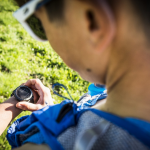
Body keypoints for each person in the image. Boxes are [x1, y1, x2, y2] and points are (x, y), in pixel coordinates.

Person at [3, 0, 150, 149]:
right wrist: (58, 118)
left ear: (92, 22)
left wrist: (13, 105)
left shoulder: (48, 145)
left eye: (38, 25)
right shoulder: (107, 91)